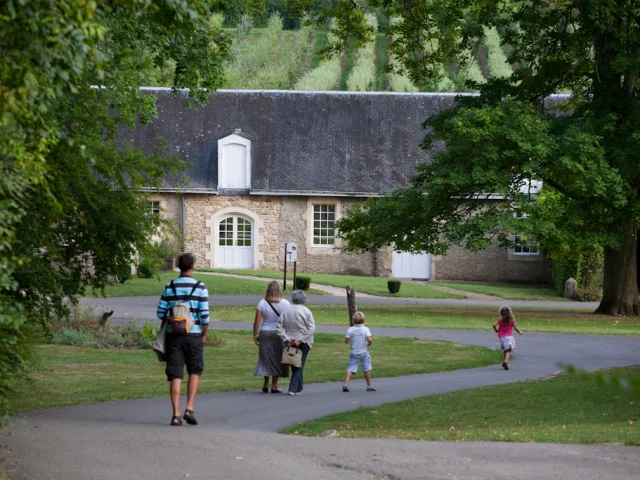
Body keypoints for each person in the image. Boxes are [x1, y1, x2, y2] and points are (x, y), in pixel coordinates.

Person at [156, 253, 210, 426]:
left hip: (174, 336)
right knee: (194, 370)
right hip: (193, 335)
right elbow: (205, 316)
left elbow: (160, 313)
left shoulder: (169, 286)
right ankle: (189, 408)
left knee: (175, 374)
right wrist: (204, 333)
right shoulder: (200, 287)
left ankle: (176, 415)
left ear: (179, 266)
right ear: (193, 266)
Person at [276, 290, 315, 396]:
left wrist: (286, 338)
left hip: (290, 340)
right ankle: (293, 388)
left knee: (296, 364)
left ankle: (299, 388)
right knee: (298, 365)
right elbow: (311, 328)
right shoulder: (306, 311)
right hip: (304, 341)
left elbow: (279, 326)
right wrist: (301, 339)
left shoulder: (286, 310)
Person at [253, 280, 290, 393]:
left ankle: (265, 383)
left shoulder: (262, 303)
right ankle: (274, 385)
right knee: (277, 358)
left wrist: (255, 334)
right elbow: (288, 320)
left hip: (265, 332)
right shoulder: (285, 303)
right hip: (279, 333)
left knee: (265, 358)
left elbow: (257, 320)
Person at [342, 311, 376, 392]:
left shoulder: (350, 329)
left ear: (353, 320)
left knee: (351, 367)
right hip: (364, 352)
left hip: (354, 352)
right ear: (363, 320)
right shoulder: (365, 329)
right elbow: (370, 339)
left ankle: (346, 384)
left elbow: (346, 341)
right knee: (366, 368)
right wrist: (369, 344)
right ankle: (369, 385)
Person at [492, 305, 523, 370]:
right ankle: (506, 362)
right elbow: (515, 328)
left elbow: (494, 325)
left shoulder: (500, 319)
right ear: (509, 312)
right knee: (509, 349)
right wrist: (519, 332)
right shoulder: (511, 320)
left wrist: (496, 330)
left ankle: (504, 361)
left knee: (505, 349)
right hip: (509, 337)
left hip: (502, 337)